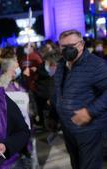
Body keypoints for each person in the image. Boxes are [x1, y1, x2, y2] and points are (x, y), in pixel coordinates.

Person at [53, 29, 107, 169]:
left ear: (82, 44)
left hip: (90, 129)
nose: (68, 50)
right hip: (69, 129)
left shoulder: (97, 65)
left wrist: (90, 112)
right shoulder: (61, 65)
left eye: (72, 45)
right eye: (64, 47)